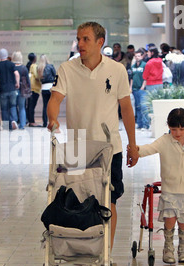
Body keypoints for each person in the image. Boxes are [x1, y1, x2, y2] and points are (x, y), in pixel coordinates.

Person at [47, 21, 139, 252]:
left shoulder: (116, 70)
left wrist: (133, 144)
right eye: (78, 39)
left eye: (85, 39)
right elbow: (55, 99)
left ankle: (105, 251)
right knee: (78, 197)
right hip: (77, 145)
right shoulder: (67, 69)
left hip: (109, 146)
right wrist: (53, 119)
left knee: (110, 198)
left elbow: (126, 108)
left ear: (100, 42)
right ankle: (84, 247)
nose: (80, 44)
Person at [136, 108, 184, 264]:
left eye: (182, 129)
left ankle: (183, 249)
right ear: (168, 125)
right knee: (170, 219)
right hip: (169, 188)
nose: (178, 133)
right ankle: (168, 248)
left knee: (183, 221)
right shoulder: (164, 141)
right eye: (174, 129)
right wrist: (136, 151)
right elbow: (149, 148)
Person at [0, 48, 20, 130]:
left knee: (4, 108)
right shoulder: (11, 64)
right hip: (12, 89)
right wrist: (17, 83)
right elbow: (17, 74)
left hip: (3, 90)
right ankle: (13, 121)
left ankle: (5, 126)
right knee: (13, 106)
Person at [130, 49, 150, 130]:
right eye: (136, 56)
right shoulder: (133, 66)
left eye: (138, 56)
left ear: (142, 56)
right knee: (137, 106)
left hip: (142, 88)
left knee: (143, 106)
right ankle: (139, 123)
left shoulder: (145, 65)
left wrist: (143, 86)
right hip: (134, 88)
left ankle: (146, 124)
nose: (137, 57)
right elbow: (131, 78)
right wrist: (130, 87)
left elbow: (146, 77)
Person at [37, 54, 56, 128]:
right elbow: (55, 76)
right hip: (51, 87)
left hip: (43, 88)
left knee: (45, 106)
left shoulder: (39, 68)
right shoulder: (50, 66)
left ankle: (45, 123)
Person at [12, 51, 29, 129]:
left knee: (13, 106)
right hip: (23, 89)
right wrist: (29, 89)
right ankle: (22, 125)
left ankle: (14, 121)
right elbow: (28, 80)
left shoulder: (11, 67)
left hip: (13, 88)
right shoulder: (24, 68)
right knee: (22, 107)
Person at [26, 53, 40, 127]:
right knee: (32, 106)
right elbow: (37, 76)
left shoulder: (27, 65)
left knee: (29, 106)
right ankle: (32, 121)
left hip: (28, 88)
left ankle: (29, 120)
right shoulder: (34, 66)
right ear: (34, 58)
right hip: (34, 88)